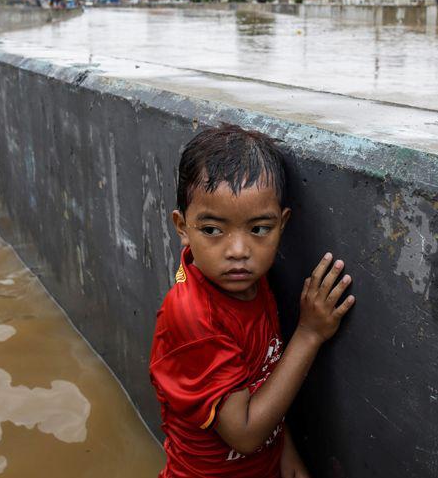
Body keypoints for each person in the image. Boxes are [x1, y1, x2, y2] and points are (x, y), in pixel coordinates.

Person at [150, 124, 356, 478]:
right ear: (182, 227)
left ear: (282, 223)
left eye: (259, 229)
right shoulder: (194, 316)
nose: (239, 252)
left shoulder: (253, 284)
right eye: (213, 230)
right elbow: (244, 434)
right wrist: (309, 333)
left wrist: (284, 451)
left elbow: (261, 377)